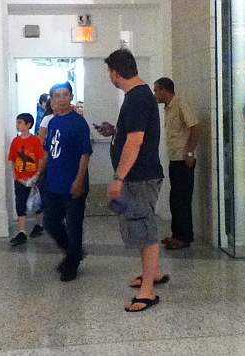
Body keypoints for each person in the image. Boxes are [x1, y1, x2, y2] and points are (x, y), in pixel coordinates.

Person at [96, 49, 168, 312]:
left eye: (109, 72)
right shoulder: (137, 96)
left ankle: (147, 291)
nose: (110, 77)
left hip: (139, 178)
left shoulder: (137, 97)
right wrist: (115, 132)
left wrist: (118, 178)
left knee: (144, 229)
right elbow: (133, 134)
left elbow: (136, 141)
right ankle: (155, 272)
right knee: (140, 226)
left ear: (115, 73)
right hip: (138, 176)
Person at [41, 82, 92, 282]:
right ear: (52, 100)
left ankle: (72, 263)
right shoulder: (52, 122)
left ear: (70, 97)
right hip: (53, 183)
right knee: (50, 222)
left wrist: (79, 180)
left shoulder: (78, 123)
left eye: (65, 95)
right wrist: (40, 171)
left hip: (73, 185)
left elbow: (85, 154)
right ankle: (73, 252)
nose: (61, 99)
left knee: (73, 225)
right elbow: (47, 151)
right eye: (57, 96)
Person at [154, 77, 201, 250]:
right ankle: (176, 234)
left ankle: (184, 237)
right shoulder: (168, 108)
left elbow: (195, 127)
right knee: (175, 199)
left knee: (182, 199)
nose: (155, 94)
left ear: (164, 90)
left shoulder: (180, 103)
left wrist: (189, 152)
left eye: (156, 90)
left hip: (184, 161)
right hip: (174, 160)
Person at [8, 113, 45, 246]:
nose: (17, 125)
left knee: (36, 202)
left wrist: (37, 174)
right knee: (20, 203)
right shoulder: (15, 141)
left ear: (28, 125)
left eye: (20, 122)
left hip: (33, 178)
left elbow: (40, 158)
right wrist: (15, 175)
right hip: (20, 179)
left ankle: (39, 224)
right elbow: (12, 159)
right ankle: (21, 231)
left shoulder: (35, 141)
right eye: (17, 122)